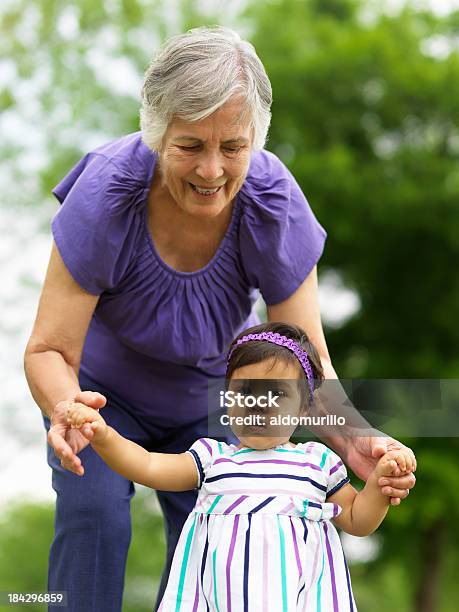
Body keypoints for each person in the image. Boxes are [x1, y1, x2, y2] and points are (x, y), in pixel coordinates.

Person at [23, 26, 416, 612]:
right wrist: (68, 409)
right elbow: (48, 350)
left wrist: (353, 437)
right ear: (158, 134)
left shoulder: (271, 201)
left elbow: (305, 358)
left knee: (222, 545)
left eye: (233, 146)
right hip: (101, 401)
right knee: (95, 513)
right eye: (189, 146)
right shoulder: (107, 193)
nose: (212, 170)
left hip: (215, 403)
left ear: (254, 138)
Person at [66, 322, 415, 611]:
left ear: (304, 406)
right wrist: (104, 435)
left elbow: (357, 519)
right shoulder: (212, 458)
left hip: (296, 599)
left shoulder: (317, 462)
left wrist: (381, 484)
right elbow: (147, 466)